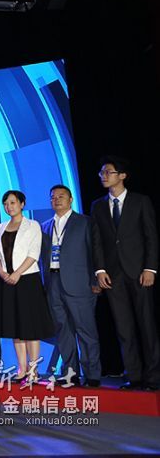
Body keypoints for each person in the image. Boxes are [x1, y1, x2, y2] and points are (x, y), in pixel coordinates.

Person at [91, 156, 159, 390]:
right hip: (113, 274)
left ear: (122, 176)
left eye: (108, 172)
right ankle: (134, 375)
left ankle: (153, 377)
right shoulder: (98, 205)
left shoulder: (140, 201)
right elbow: (97, 241)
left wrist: (150, 268)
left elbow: (151, 237)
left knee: (146, 325)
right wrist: (100, 270)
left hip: (139, 272)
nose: (103, 176)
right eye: (101, 173)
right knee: (123, 327)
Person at [40, 184, 101, 387]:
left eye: (61, 196)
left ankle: (92, 373)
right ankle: (70, 373)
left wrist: (95, 280)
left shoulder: (84, 222)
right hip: (53, 283)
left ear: (71, 199)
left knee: (85, 330)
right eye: (53, 197)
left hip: (80, 283)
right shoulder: (45, 226)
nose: (56, 199)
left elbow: (94, 252)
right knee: (63, 330)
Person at [0, 190, 53, 382]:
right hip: (6, 280)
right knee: (14, 325)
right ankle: (22, 368)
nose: (9, 206)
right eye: (6, 203)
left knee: (30, 325)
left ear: (22, 204)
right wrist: (2, 272)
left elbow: (33, 253)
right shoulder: (0, 227)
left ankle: (34, 370)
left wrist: (17, 273)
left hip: (27, 280)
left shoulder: (32, 225)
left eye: (12, 202)